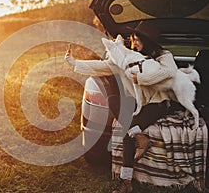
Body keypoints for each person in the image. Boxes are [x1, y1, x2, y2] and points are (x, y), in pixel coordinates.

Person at [65, 21, 180, 193]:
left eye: (137, 38)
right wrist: (74, 63)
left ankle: (125, 182)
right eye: (133, 38)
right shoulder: (128, 57)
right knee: (113, 100)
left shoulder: (164, 56)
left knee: (128, 129)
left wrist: (141, 78)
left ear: (147, 40)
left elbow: (170, 72)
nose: (134, 41)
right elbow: (104, 67)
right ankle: (139, 136)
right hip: (138, 101)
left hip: (158, 102)